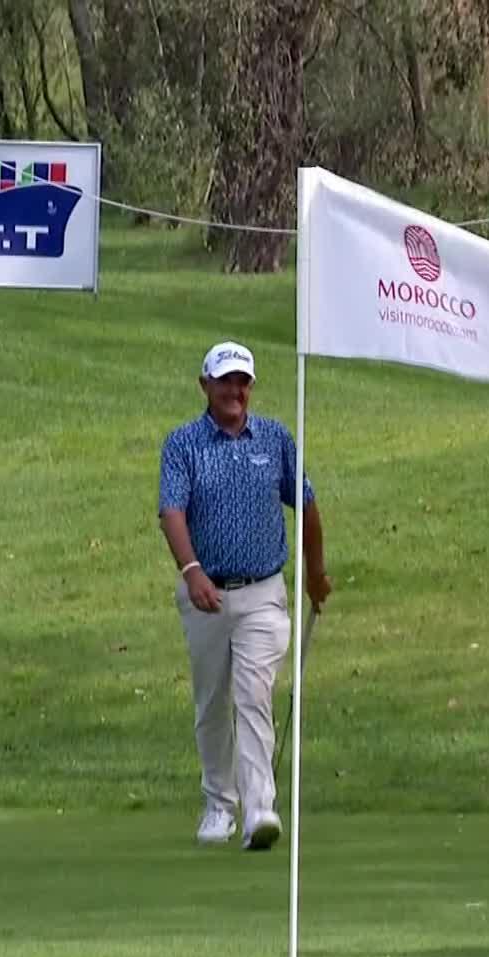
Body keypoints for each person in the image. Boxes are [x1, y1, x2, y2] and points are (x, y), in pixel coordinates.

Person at [157, 342, 331, 851]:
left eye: (243, 382)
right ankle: (219, 805)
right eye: (225, 381)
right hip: (205, 594)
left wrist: (315, 573)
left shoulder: (275, 438)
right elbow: (172, 512)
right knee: (213, 703)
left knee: (254, 695)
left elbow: (307, 505)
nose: (235, 391)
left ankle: (259, 810)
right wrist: (192, 571)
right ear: (205, 385)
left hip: (262, 593)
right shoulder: (183, 444)